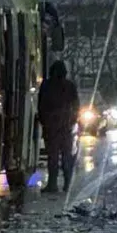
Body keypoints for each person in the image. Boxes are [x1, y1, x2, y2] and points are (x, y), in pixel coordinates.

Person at [38, 60, 79, 193]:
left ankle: (52, 184)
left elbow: (41, 105)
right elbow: (76, 105)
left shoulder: (47, 85)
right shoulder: (70, 86)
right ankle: (67, 184)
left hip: (51, 126)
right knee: (66, 155)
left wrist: (44, 121)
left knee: (53, 157)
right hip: (66, 126)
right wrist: (72, 120)